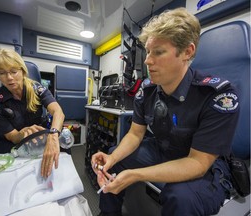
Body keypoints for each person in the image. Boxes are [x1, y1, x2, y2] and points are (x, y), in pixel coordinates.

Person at [91, 7, 239, 216]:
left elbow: (197, 163)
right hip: (163, 150)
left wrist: (135, 175)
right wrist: (112, 158)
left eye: (158, 52)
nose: (147, 60)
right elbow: (135, 134)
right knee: (115, 157)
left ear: (187, 52)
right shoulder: (147, 90)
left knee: (180, 197)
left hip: (202, 162)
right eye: (148, 51)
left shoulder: (218, 95)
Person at [0, 48, 65, 178]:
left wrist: (53, 135)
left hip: (38, 138)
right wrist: (23, 134)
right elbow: (13, 136)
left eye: (14, 72)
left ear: (23, 71)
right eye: (2, 73)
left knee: (62, 146)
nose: (9, 78)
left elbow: (58, 111)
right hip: (12, 142)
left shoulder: (37, 88)